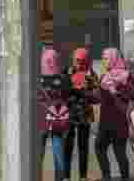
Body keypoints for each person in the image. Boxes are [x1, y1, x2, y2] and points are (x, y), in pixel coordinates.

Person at [94, 48, 134, 181]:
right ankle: (109, 176)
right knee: (101, 147)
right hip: (106, 121)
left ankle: (118, 177)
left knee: (118, 151)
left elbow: (131, 94)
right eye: (103, 58)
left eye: (106, 58)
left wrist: (116, 89)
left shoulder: (125, 76)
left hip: (118, 120)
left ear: (114, 59)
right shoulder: (105, 76)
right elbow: (98, 97)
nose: (104, 61)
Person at [64, 48, 97, 181]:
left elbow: (96, 95)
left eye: (81, 60)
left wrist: (84, 92)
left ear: (86, 60)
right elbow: (60, 88)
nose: (78, 63)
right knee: (67, 146)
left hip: (84, 113)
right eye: (76, 60)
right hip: (68, 112)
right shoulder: (67, 71)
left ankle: (83, 177)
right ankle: (66, 177)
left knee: (83, 146)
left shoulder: (91, 74)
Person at [38, 47, 70, 181]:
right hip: (57, 119)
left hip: (40, 119)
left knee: (38, 153)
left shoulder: (37, 79)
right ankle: (59, 178)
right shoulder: (63, 79)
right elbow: (68, 96)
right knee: (58, 151)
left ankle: (36, 177)